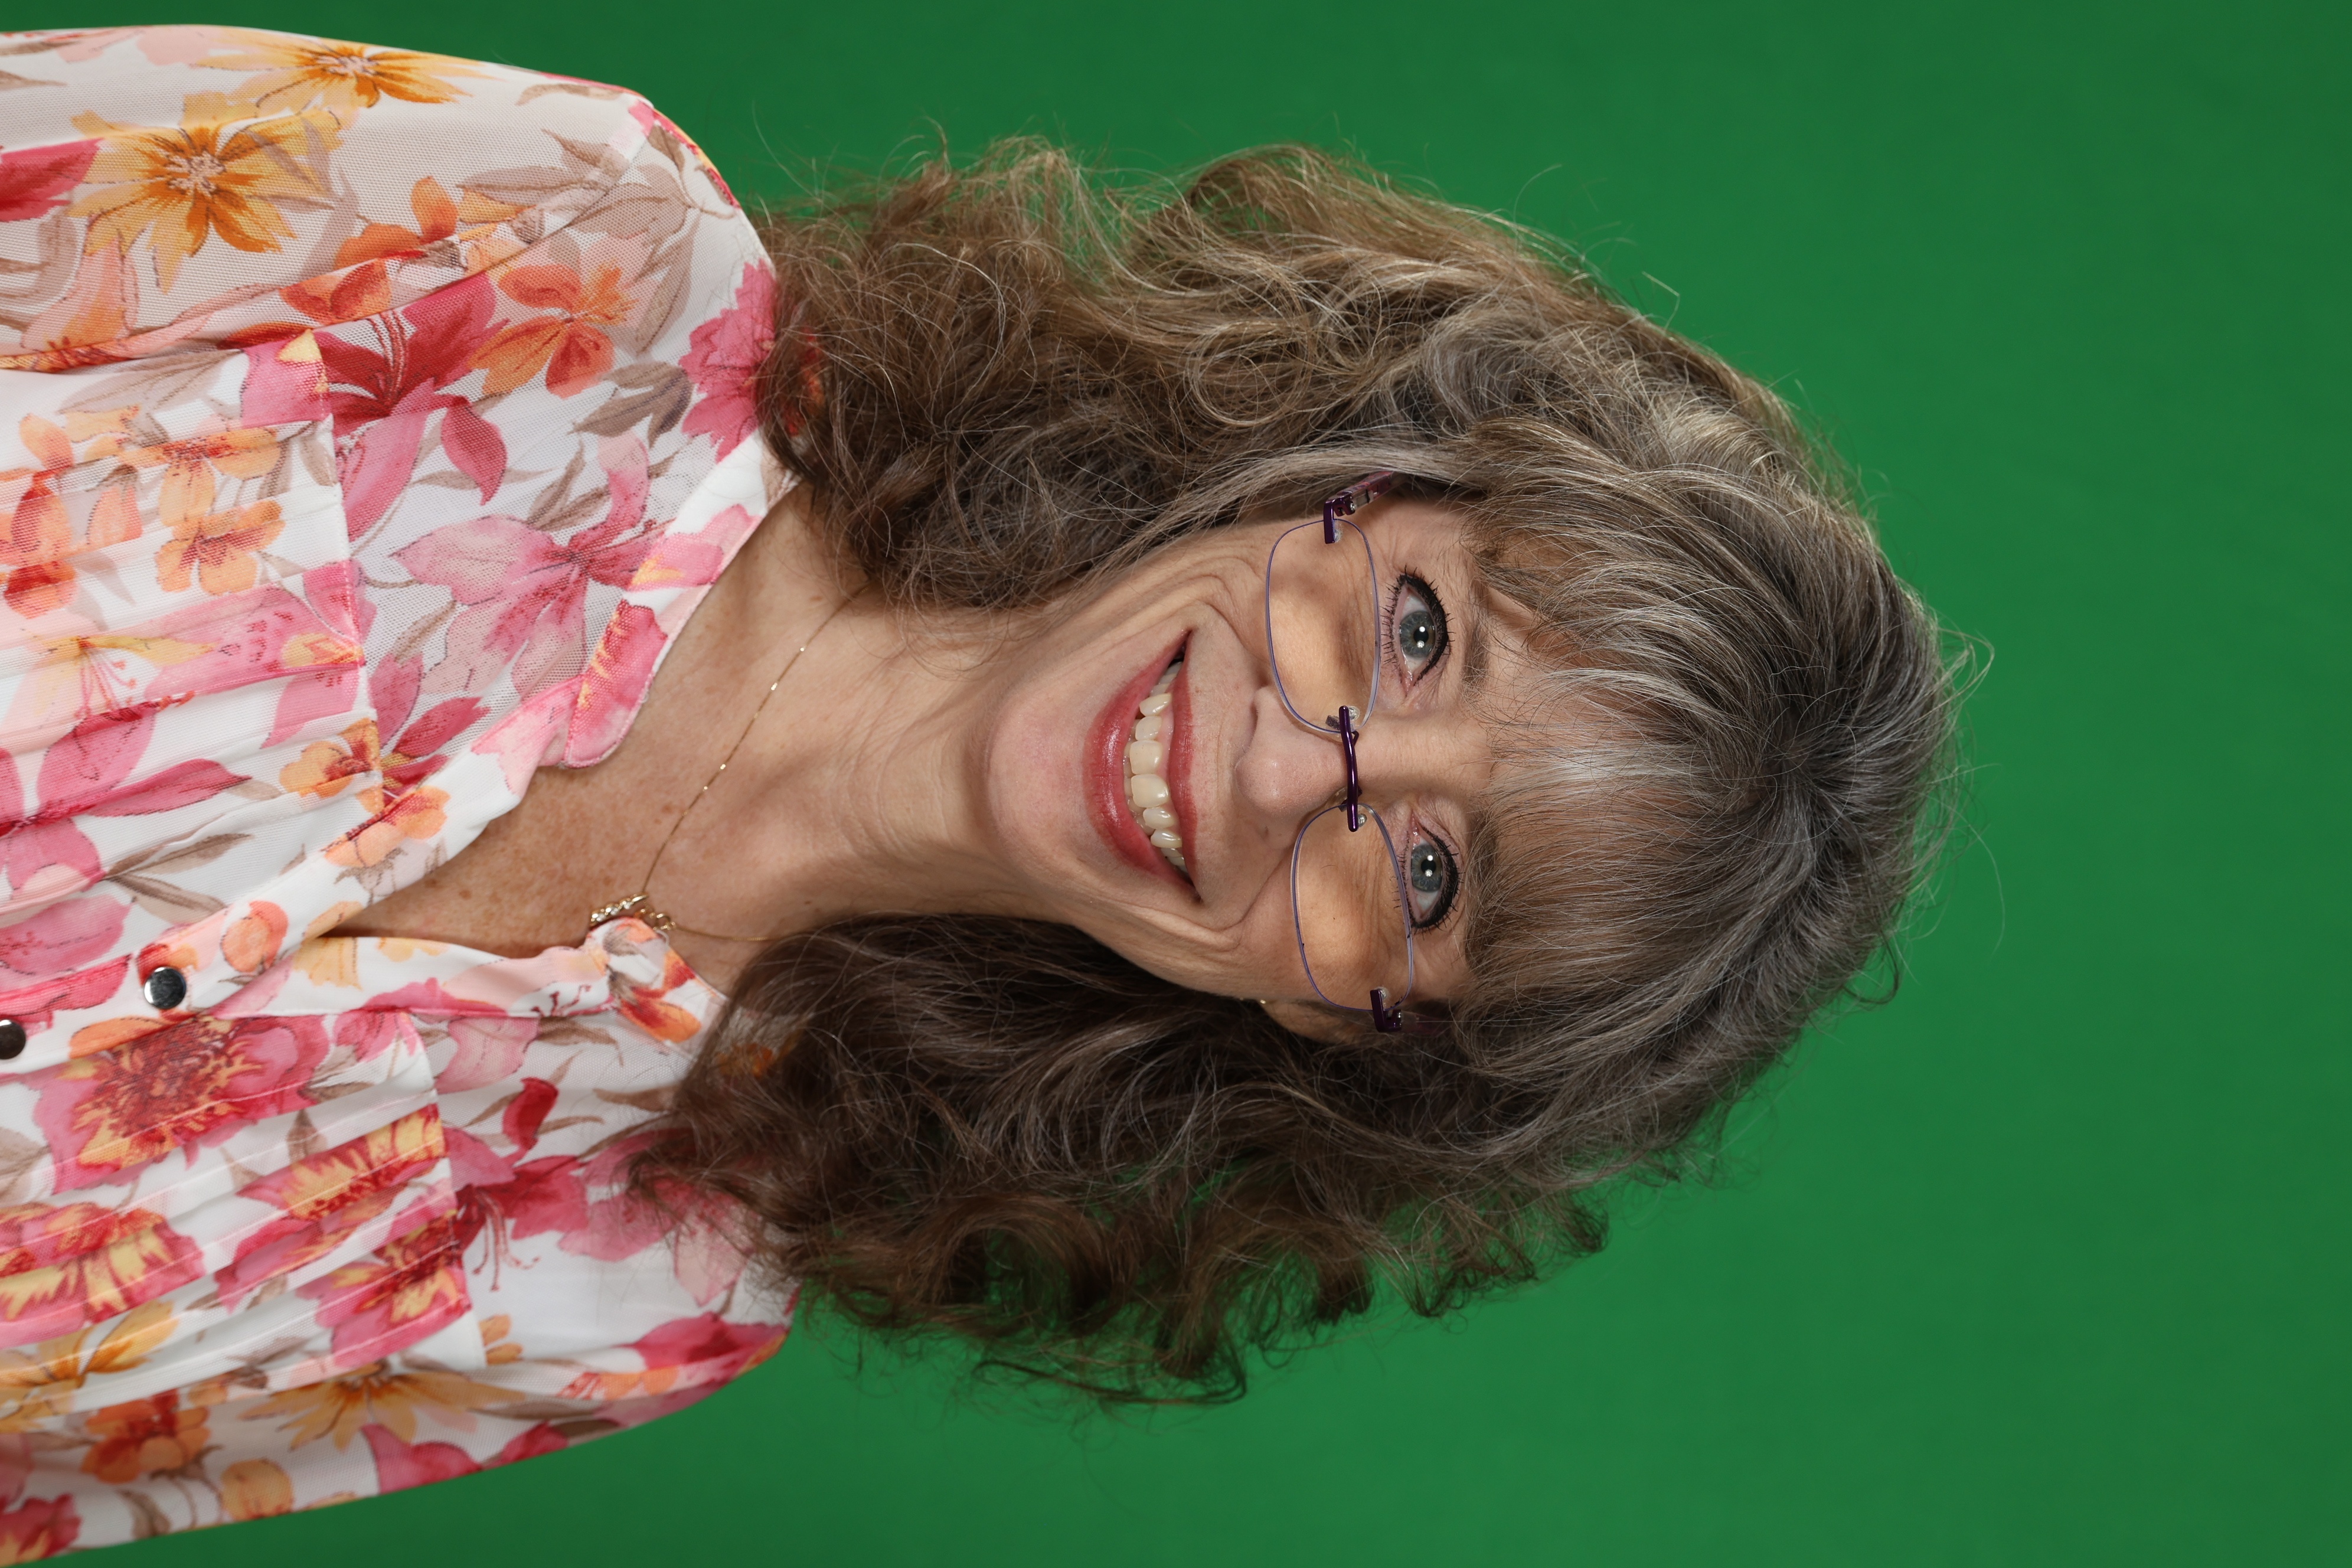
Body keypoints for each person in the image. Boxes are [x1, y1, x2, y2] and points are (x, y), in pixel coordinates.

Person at [0, 23, 1952, 1550]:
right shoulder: (563, 252)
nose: (1293, 760)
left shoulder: (628, 1286)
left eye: (1431, 876)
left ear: (1359, 1033)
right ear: (1350, 473)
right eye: (1422, 631)